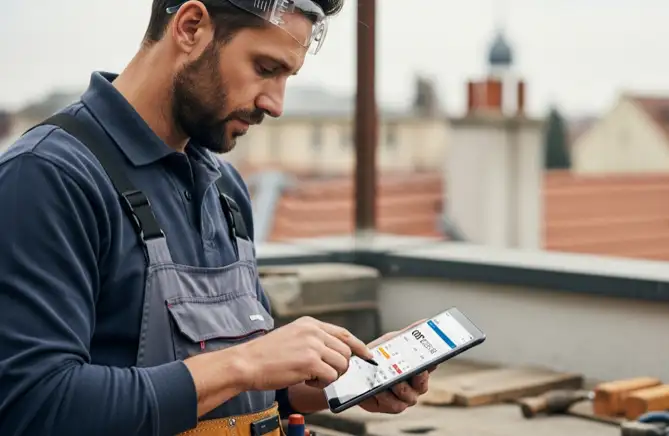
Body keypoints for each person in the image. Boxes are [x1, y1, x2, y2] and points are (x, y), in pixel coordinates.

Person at [0, 1, 433, 435]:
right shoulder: (47, 177)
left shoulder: (225, 188)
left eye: (287, 77)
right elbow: (32, 406)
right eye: (265, 68)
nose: (275, 104)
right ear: (191, 28)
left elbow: (245, 389)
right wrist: (245, 363)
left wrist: (344, 376)